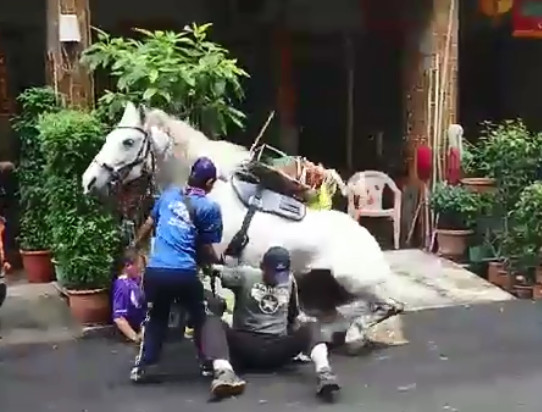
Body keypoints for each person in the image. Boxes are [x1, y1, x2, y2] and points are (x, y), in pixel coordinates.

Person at [201, 246, 341, 401]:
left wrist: (309, 333)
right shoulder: (246, 275)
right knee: (211, 320)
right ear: (262, 267)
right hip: (246, 344)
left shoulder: (289, 281)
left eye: (282, 273)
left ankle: (324, 372)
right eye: (274, 272)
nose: (278, 278)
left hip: (277, 348)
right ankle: (224, 373)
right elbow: (214, 271)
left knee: (312, 325)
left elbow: (294, 315)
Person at [130, 156, 223, 383]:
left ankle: (143, 367)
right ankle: (207, 363)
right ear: (209, 182)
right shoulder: (209, 207)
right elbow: (206, 247)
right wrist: (219, 261)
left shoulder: (169, 194)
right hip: (184, 273)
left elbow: (148, 225)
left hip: (157, 271)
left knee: (156, 317)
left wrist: (134, 247)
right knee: (200, 317)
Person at [112, 249, 146, 343]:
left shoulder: (135, 281)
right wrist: (135, 337)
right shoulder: (123, 286)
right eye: (138, 265)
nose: (141, 268)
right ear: (128, 266)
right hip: (129, 333)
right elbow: (119, 318)